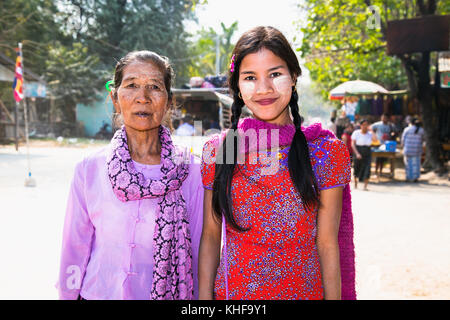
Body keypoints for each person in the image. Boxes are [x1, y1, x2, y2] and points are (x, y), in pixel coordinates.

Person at [198, 26, 356, 300]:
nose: (264, 89)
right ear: (237, 85)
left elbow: (327, 244)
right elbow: (211, 235)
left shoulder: (326, 152)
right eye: (250, 77)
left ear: (294, 76)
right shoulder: (220, 150)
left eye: (275, 74)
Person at [56, 51, 204, 300]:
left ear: (169, 101)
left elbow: (199, 251)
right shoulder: (89, 168)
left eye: (154, 87)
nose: (142, 98)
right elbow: (75, 246)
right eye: (132, 85)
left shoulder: (192, 171)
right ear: (115, 98)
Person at [351, 119, 376, 190]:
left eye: (366, 125)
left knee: (367, 168)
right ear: (361, 125)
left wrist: (371, 130)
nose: (365, 126)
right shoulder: (356, 133)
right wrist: (357, 153)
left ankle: (365, 186)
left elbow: (375, 139)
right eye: (363, 125)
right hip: (358, 150)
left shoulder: (370, 134)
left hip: (367, 151)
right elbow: (353, 144)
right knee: (356, 167)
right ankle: (355, 184)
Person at [401, 117, 425, 182]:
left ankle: (408, 177)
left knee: (408, 164)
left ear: (410, 123)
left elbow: (403, 140)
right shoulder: (421, 130)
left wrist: (402, 147)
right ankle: (415, 177)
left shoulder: (407, 129)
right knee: (416, 164)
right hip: (417, 150)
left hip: (408, 149)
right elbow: (423, 139)